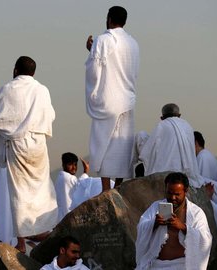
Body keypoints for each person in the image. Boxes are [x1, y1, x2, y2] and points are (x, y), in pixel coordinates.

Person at [0, 56, 57, 252]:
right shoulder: (42, 90)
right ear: (33, 72)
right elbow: (50, 116)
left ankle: (22, 240)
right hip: (38, 144)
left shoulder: (8, 89)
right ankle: (46, 228)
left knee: (19, 192)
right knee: (42, 187)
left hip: (18, 146)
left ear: (15, 70)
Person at [85, 6, 140, 192]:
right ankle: (118, 186)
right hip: (127, 99)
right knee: (122, 144)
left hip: (109, 99)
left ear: (109, 18)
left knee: (104, 144)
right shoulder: (133, 43)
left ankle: (106, 189)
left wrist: (92, 51)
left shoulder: (104, 40)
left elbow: (95, 70)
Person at [135, 172, 212, 269]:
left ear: (186, 191)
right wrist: (154, 223)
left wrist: (183, 227)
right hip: (156, 265)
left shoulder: (196, 213)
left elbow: (205, 239)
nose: (173, 198)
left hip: (182, 265)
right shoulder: (155, 207)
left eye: (177, 194)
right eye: (169, 193)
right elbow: (141, 227)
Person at [137, 104, 203, 187]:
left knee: (141, 135)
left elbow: (149, 149)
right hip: (188, 172)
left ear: (162, 118)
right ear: (179, 115)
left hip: (164, 172)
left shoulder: (161, 125)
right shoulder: (188, 126)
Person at [55, 153, 89, 222]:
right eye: (70, 164)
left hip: (61, 217)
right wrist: (85, 172)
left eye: (75, 164)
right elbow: (80, 186)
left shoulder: (60, 177)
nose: (74, 167)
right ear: (63, 165)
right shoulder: (68, 178)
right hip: (68, 217)